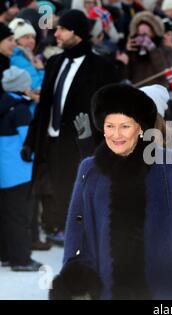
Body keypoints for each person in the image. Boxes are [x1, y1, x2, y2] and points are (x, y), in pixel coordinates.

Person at [50, 83, 172, 300]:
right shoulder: (90, 168)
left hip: (165, 287)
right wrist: (75, 275)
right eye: (109, 126)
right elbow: (78, 224)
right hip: (108, 286)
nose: (116, 135)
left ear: (141, 127)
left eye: (125, 126)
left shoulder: (170, 164)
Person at [20, 9, 118, 246]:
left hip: (80, 142)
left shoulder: (101, 67)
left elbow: (109, 109)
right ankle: (56, 228)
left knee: (75, 189)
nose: (57, 34)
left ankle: (78, 233)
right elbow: (44, 106)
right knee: (50, 188)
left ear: (77, 33)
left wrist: (104, 142)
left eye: (62, 29)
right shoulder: (54, 62)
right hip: (50, 138)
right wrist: (30, 141)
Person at [0, 66, 43, 271]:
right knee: (21, 216)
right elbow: (29, 143)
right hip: (20, 173)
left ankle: (7, 255)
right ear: (23, 87)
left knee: (7, 215)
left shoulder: (3, 105)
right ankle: (21, 260)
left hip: (4, 173)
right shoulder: (21, 111)